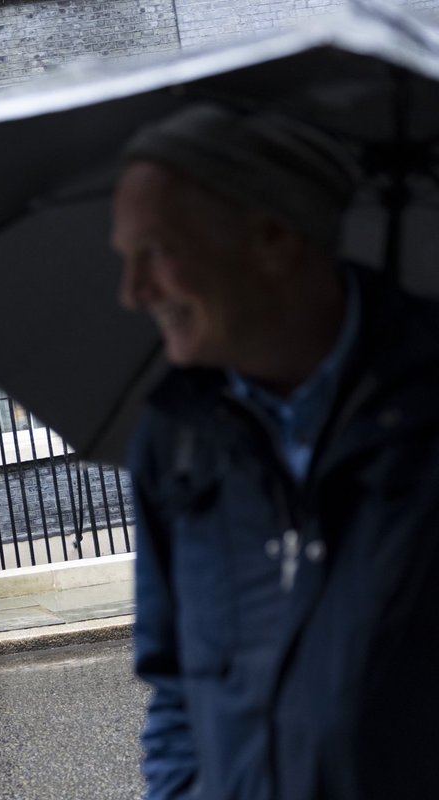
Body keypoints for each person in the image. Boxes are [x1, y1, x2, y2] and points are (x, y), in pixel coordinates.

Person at [112, 102, 439, 799]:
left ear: (272, 237)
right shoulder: (175, 436)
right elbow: (176, 690)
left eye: (157, 252)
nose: (133, 293)